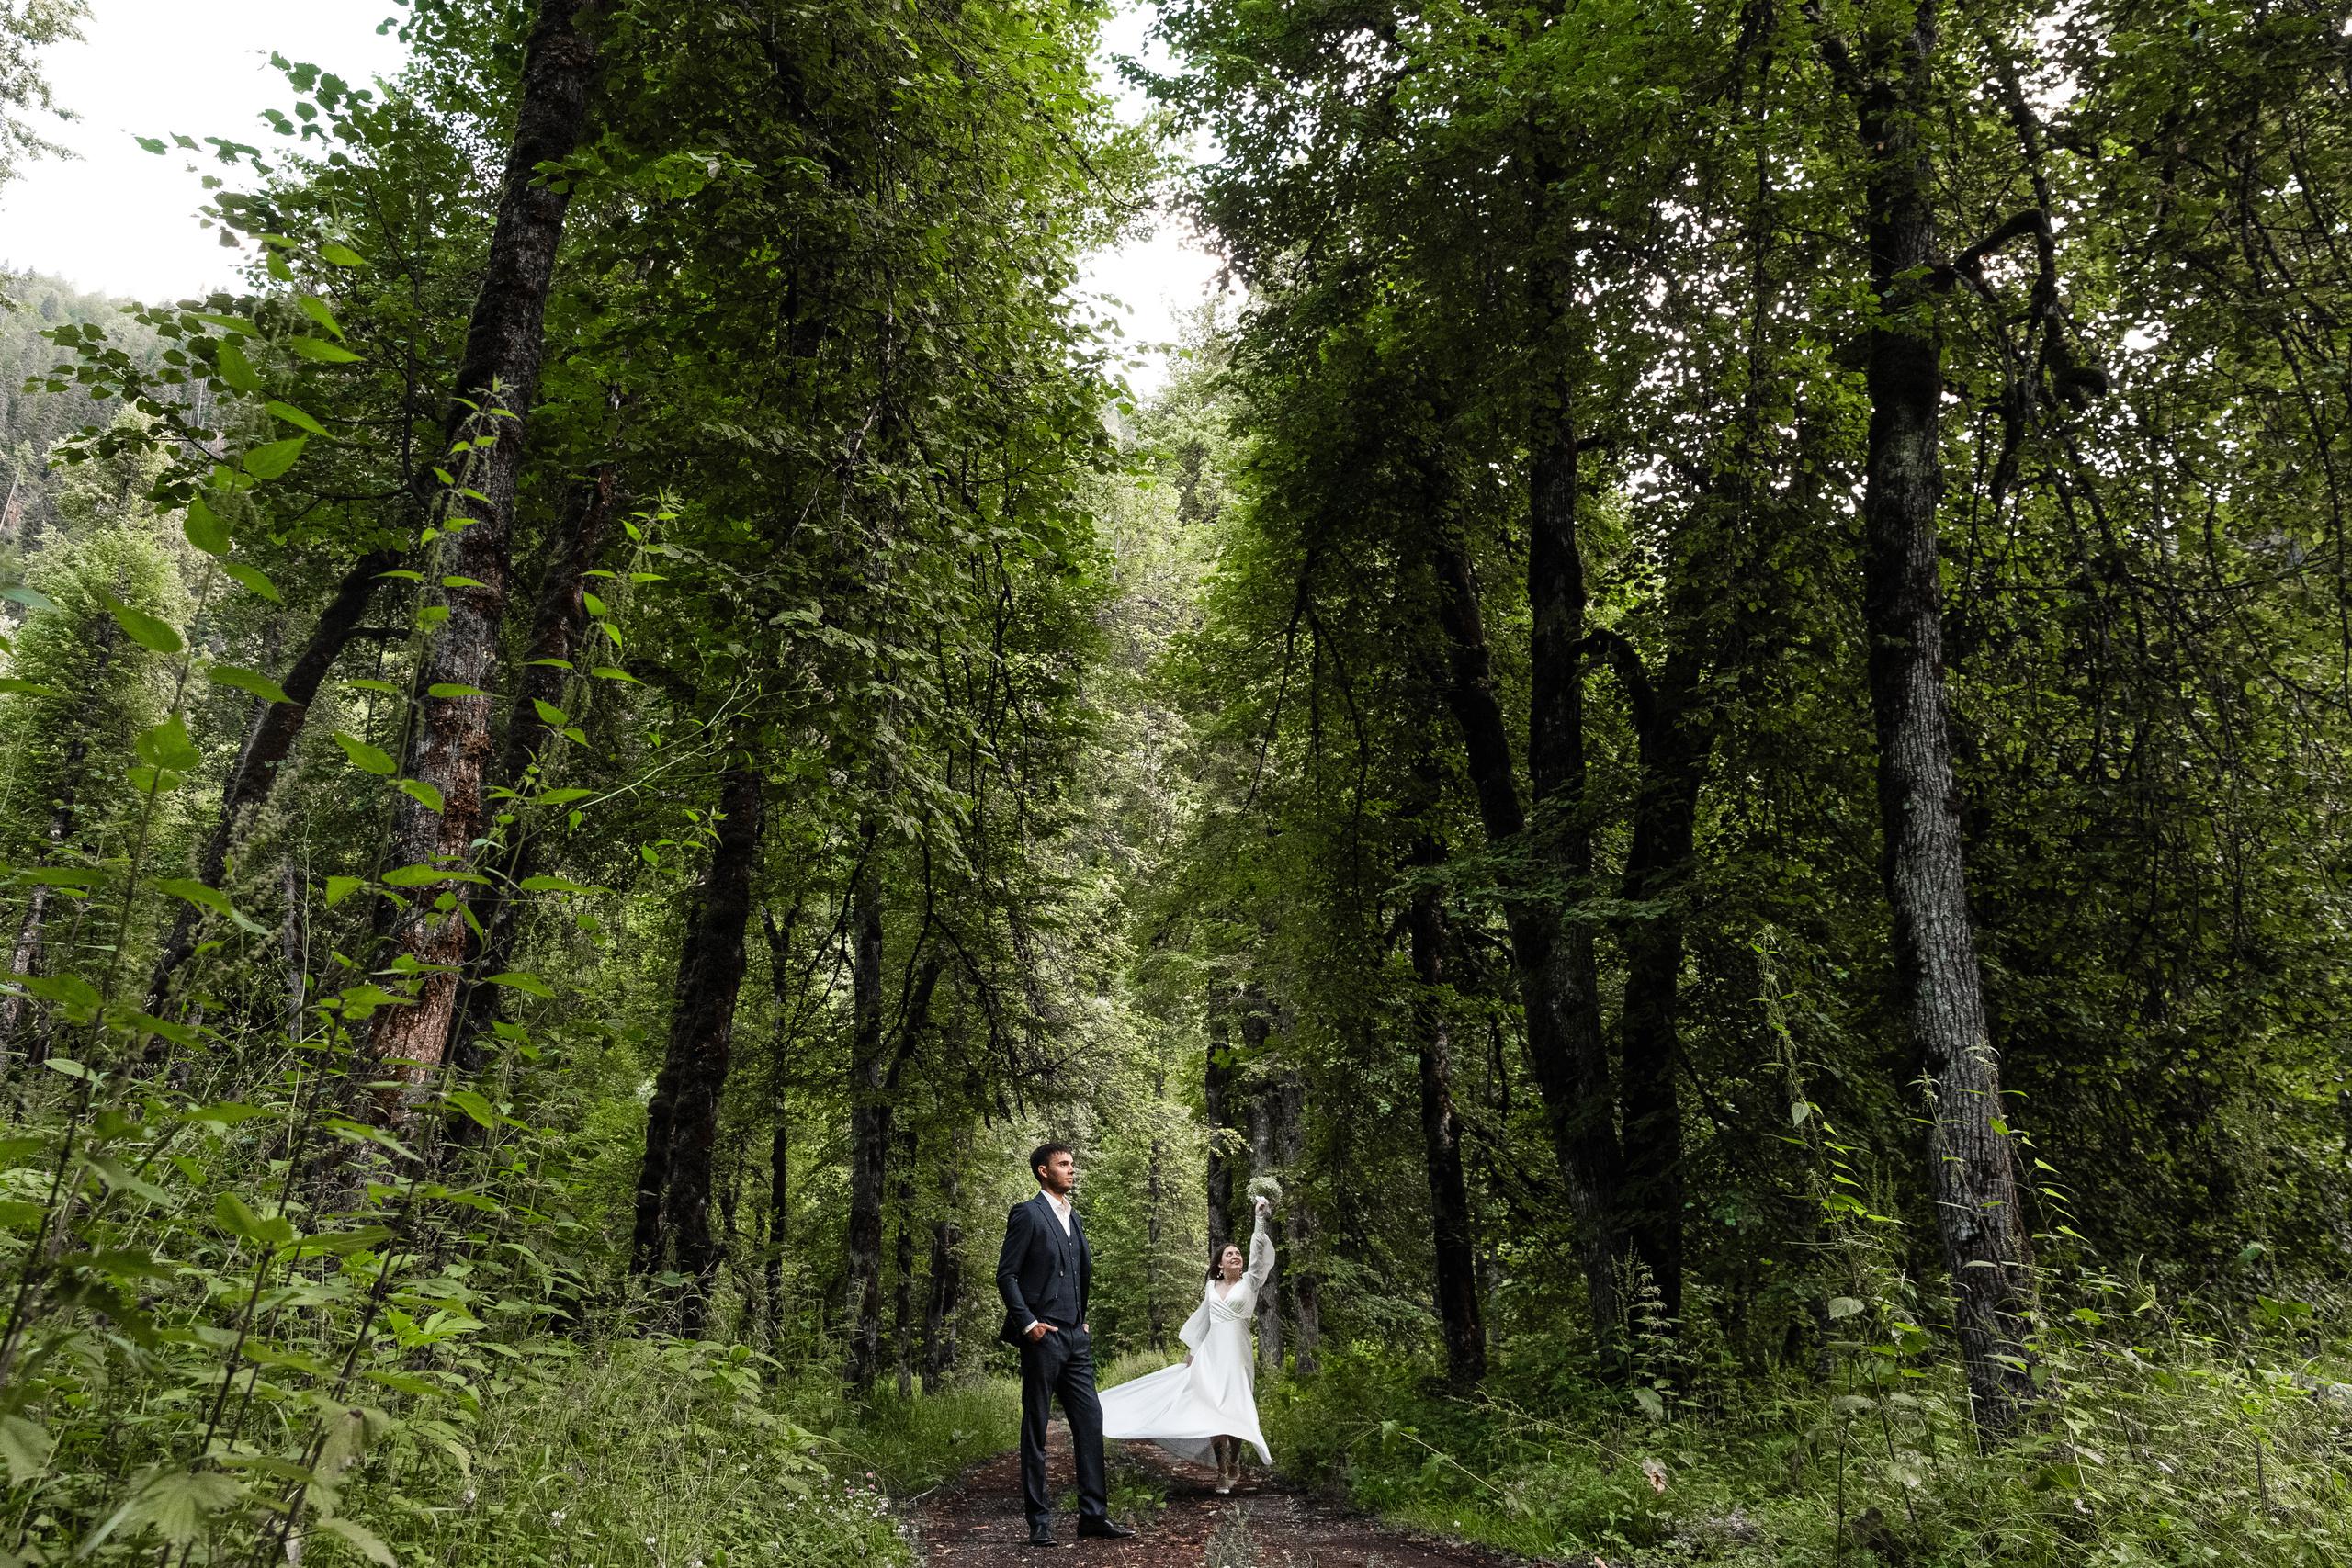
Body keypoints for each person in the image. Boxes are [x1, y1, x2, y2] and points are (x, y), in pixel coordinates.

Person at [997, 1143, 1136, 1546]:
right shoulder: (1028, 1213)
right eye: (1063, 1164)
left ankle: (1093, 1516)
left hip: (1076, 1338)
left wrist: (1082, 1320)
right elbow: (1006, 1276)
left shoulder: (1073, 1216)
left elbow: (1077, 1273)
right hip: (1043, 1338)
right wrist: (1029, 1325)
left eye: (1072, 1164)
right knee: (1036, 1427)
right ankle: (1039, 1522)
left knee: (1090, 1422)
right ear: (1043, 1171)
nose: (1072, 1170)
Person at [1096, 1192, 1276, 1494]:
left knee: (1235, 1408)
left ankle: (1234, 1460)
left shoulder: (1250, 1283)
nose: (1236, 1256)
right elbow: (1204, 1321)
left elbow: (1259, 1258)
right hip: (1211, 1354)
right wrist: (1192, 1352)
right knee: (1212, 1411)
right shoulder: (1210, 1287)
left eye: (1238, 1254)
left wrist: (1259, 1219)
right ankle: (1221, 1471)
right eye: (1230, 1254)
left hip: (1238, 1353)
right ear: (1219, 1265)